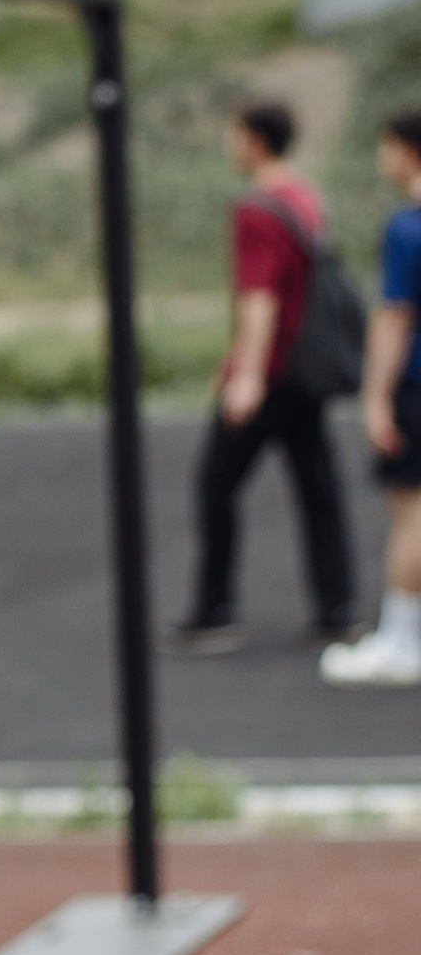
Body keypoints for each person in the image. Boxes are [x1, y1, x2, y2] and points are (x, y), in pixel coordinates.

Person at [165, 97, 355, 656]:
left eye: (235, 134)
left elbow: (259, 297)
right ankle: (336, 608)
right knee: (318, 488)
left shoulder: (257, 210)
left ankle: (214, 609)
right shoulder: (307, 197)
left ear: (254, 140)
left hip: (271, 369)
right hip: (308, 364)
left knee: (215, 484)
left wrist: (244, 374)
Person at [322, 108, 421, 685]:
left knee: (411, 511)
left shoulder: (407, 227)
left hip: (417, 384)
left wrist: (376, 397)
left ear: (407, 150)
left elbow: (394, 317)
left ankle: (402, 641)